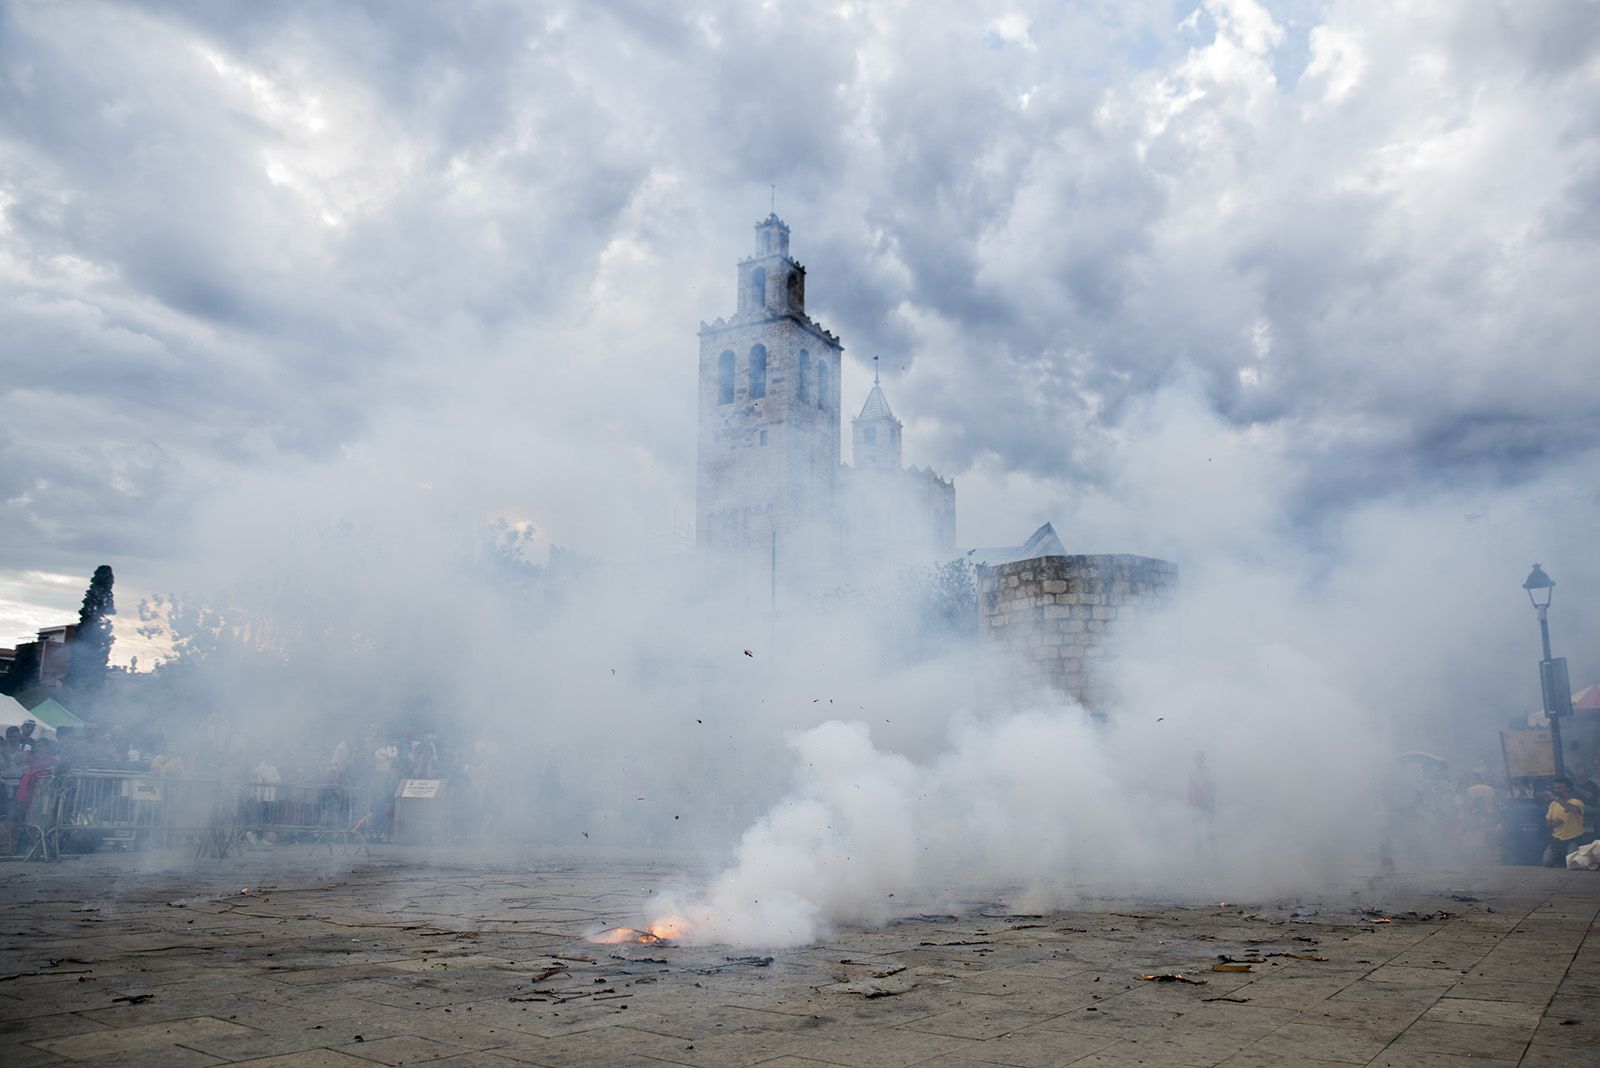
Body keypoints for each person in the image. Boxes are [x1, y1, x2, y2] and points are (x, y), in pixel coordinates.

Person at [1544, 779, 1586, 866]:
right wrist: (1553, 824)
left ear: (1568, 789)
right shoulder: (1553, 804)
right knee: (1547, 863)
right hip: (1557, 839)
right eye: (1555, 788)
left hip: (1574, 839)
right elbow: (1547, 823)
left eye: (1560, 788)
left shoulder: (1577, 802)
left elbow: (1573, 809)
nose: (1556, 790)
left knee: (1572, 864)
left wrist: (1556, 798)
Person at [1187, 750, 1217, 854]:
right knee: (1197, 831)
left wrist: (1208, 800)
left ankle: (1215, 855)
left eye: (1200, 759)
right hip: (1196, 805)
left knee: (1210, 831)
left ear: (1203, 760)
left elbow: (1213, 789)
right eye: (1196, 759)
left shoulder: (1209, 772)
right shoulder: (1192, 773)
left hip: (1208, 805)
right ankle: (1198, 857)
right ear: (1195, 761)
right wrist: (1190, 802)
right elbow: (1189, 789)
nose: (1198, 761)